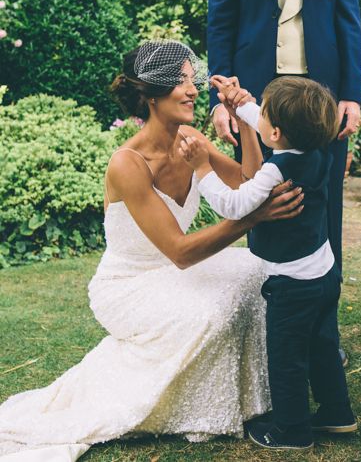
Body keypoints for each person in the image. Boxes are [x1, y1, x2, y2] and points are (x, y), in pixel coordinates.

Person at [0, 41, 303, 460]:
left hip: (176, 270)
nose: (193, 89)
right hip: (129, 285)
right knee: (211, 312)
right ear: (153, 93)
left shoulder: (191, 139)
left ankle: (256, 391)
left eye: (192, 80)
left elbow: (250, 186)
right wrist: (253, 220)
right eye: (181, 82)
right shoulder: (127, 163)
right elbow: (180, 251)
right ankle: (174, 401)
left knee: (259, 272)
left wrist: (245, 123)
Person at [206, 0, 361, 279]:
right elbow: (222, 21)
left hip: (322, 96)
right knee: (259, 199)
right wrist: (222, 97)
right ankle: (263, 317)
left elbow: (348, 22)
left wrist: (350, 95)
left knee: (326, 201)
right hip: (257, 96)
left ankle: (322, 333)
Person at [180, 75, 357, 450]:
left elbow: (234, 206)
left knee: (287, 357)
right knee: (322, 345)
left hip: (292, 286)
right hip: (324, 275)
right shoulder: (318, 151)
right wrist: (236, 101)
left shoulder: (277, 170)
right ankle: (337, 413)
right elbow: (268, 121)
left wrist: (202, 168)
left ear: (275, 133)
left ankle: (291, 431)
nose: (255, 115)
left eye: (262, 113)